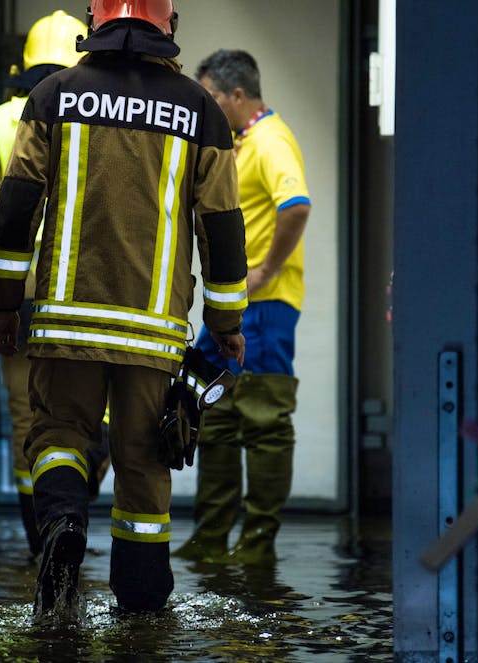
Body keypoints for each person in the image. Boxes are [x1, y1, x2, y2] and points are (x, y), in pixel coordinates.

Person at [0, 0, 247, 617]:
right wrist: (226, 325)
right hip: (151, 334)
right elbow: (223, 227)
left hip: (64, 320)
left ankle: (63, 527)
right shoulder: (200, 109)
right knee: (143, 464)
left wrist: (2, 305)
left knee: (58, 436)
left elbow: (17, 205)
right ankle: (142, 607)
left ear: (94, 23)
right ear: (169, 26)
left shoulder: (53, 95)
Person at [0, 9, 109, 560]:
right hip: (89, 290)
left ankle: (45, 541)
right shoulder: (102, 112)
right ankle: (81, 492)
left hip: (21, 296)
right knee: (98, 409)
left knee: (33, 420)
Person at [174, 49, 312, 566]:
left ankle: (257, 544)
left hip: (267, 306)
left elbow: (295, 205)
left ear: (237, 95)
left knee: (265, 420)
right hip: (232, 305)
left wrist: (268, 270)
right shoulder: (241, 141)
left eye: (211, 96)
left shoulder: (273, 140)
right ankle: (212, 536)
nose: (207, 105)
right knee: (218, 413)